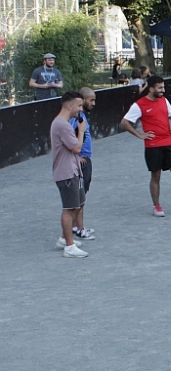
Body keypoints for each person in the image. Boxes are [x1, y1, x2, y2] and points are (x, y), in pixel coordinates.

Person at [120, 76, 171, 217]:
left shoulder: (164, 101)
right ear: (151, 88)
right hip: (153, 145)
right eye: (160, 88)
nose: (163, 90)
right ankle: (157, 206)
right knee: (156, 175)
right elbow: (125, 122)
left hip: (169, 142)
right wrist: (139, 134)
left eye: (163, 87)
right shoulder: (139, 105)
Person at [51, 91, 89, 258]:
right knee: (69, 209)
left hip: (73, 170)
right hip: (66, 173)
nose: (81, 109)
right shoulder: (62, 125)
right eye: (79, 106)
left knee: (78, 203)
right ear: (70, 106)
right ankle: (69, 246)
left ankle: (63, 238)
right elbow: (76, 148)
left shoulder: (63, 124)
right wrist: (80, 131)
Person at [66, 87, 97, 241]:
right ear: (82, 100)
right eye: (91, 100)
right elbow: (68, 139)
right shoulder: (75, 119)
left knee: (82, 197)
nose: (93, 103)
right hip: (81, 161)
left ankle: (78, 227)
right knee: (80, 198)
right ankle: (78, 228)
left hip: (85, 159)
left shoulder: (82, 116)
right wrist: (76, 157)